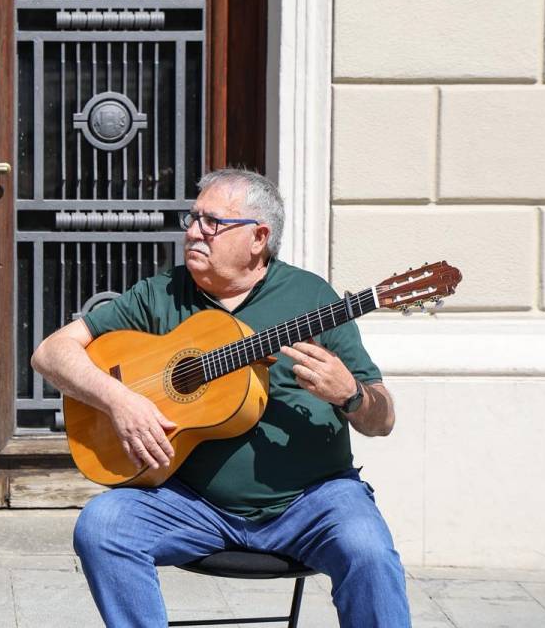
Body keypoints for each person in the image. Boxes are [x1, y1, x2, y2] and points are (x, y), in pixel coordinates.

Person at [31, 168, 410, 627]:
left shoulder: (313, 299)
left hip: (314, 501)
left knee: (368, 550)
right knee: (103, 525)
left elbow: (382, 419)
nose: (193, 232)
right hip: (193, 504)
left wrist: (350, 395)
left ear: (258, 237)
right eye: (192, 219)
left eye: (212, 222)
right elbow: (51, 353)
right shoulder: (162, 294)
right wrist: (119, 401)